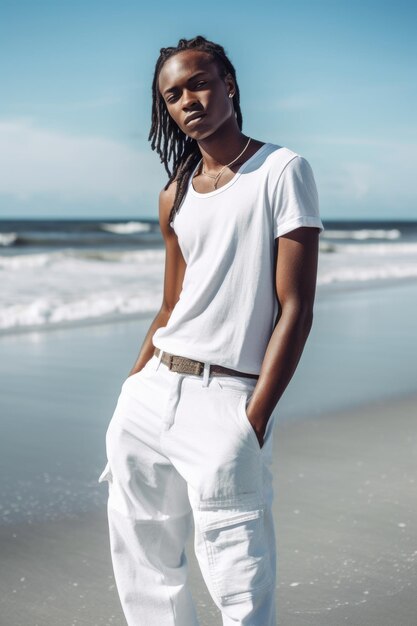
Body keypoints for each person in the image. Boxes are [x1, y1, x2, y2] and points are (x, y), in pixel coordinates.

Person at [98, 35, 324, 626]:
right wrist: (132, 389)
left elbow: (295, 307)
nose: (187, 100)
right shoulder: (173, 195)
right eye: (171, 95)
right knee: (146, 571)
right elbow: (170, 305)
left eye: (198, 83)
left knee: (241, 585)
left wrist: (253, 420)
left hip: (227, 400)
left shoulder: (281, 170)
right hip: (150, 398)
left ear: (229, 84)